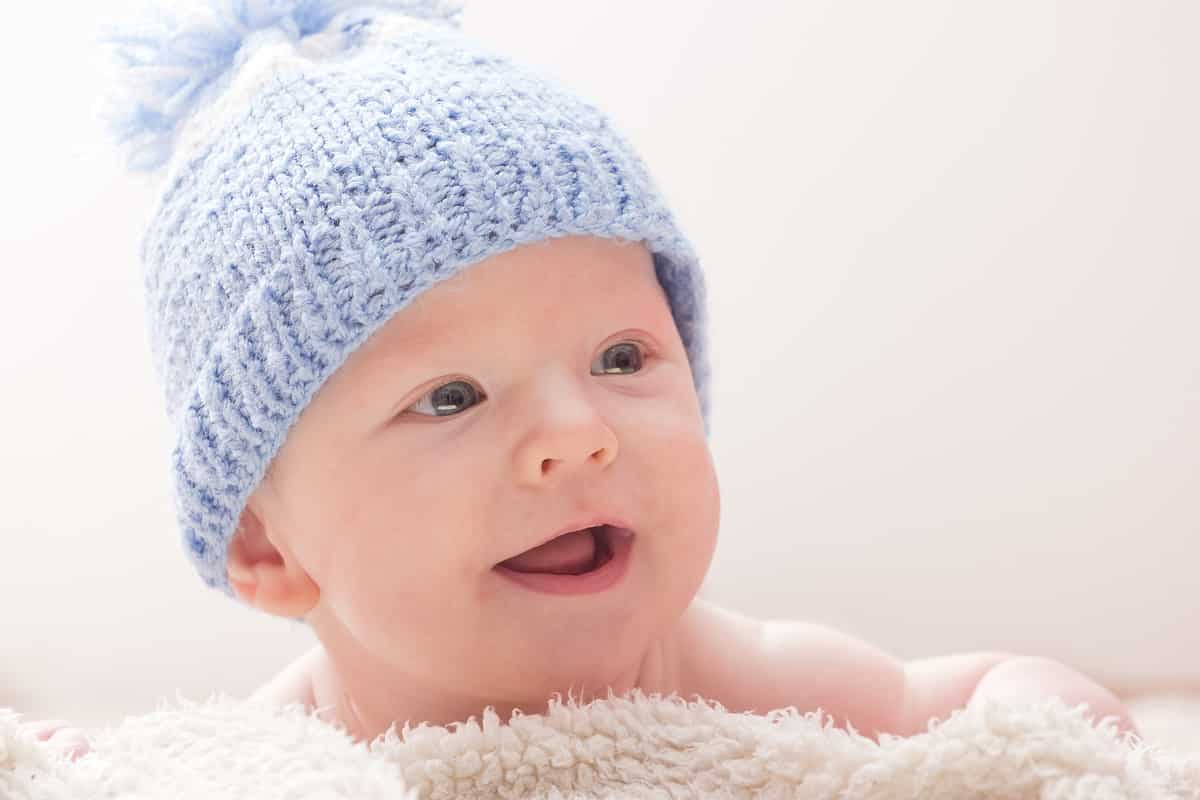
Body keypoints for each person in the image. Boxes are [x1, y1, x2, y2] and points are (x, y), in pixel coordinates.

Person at [27, 0, 1136, 753]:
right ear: (268, 548)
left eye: (622, 358)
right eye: (450, 395)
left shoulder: (744, 681)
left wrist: (1043, 729)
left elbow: (982, 698)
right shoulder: (284, 753)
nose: (579, 433)